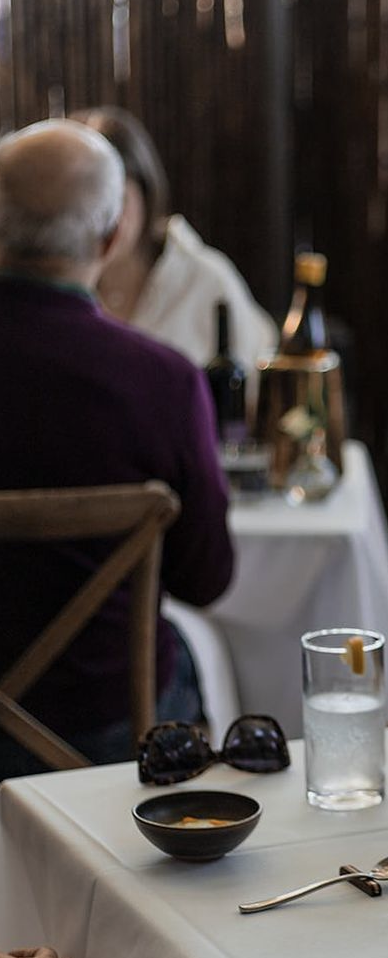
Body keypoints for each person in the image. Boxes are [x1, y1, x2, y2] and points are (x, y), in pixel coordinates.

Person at [0, 118, 234, 780]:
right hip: (105, 725)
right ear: (108, 237)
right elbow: (205, 577)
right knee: (186, 649)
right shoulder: (160, 381)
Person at [69, 106, 277, 386]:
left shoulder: (206, 280)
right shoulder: (58, 286)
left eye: (116, 199)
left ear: (145, 191)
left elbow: (257, 390)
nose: (105, 219)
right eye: (86, 203)